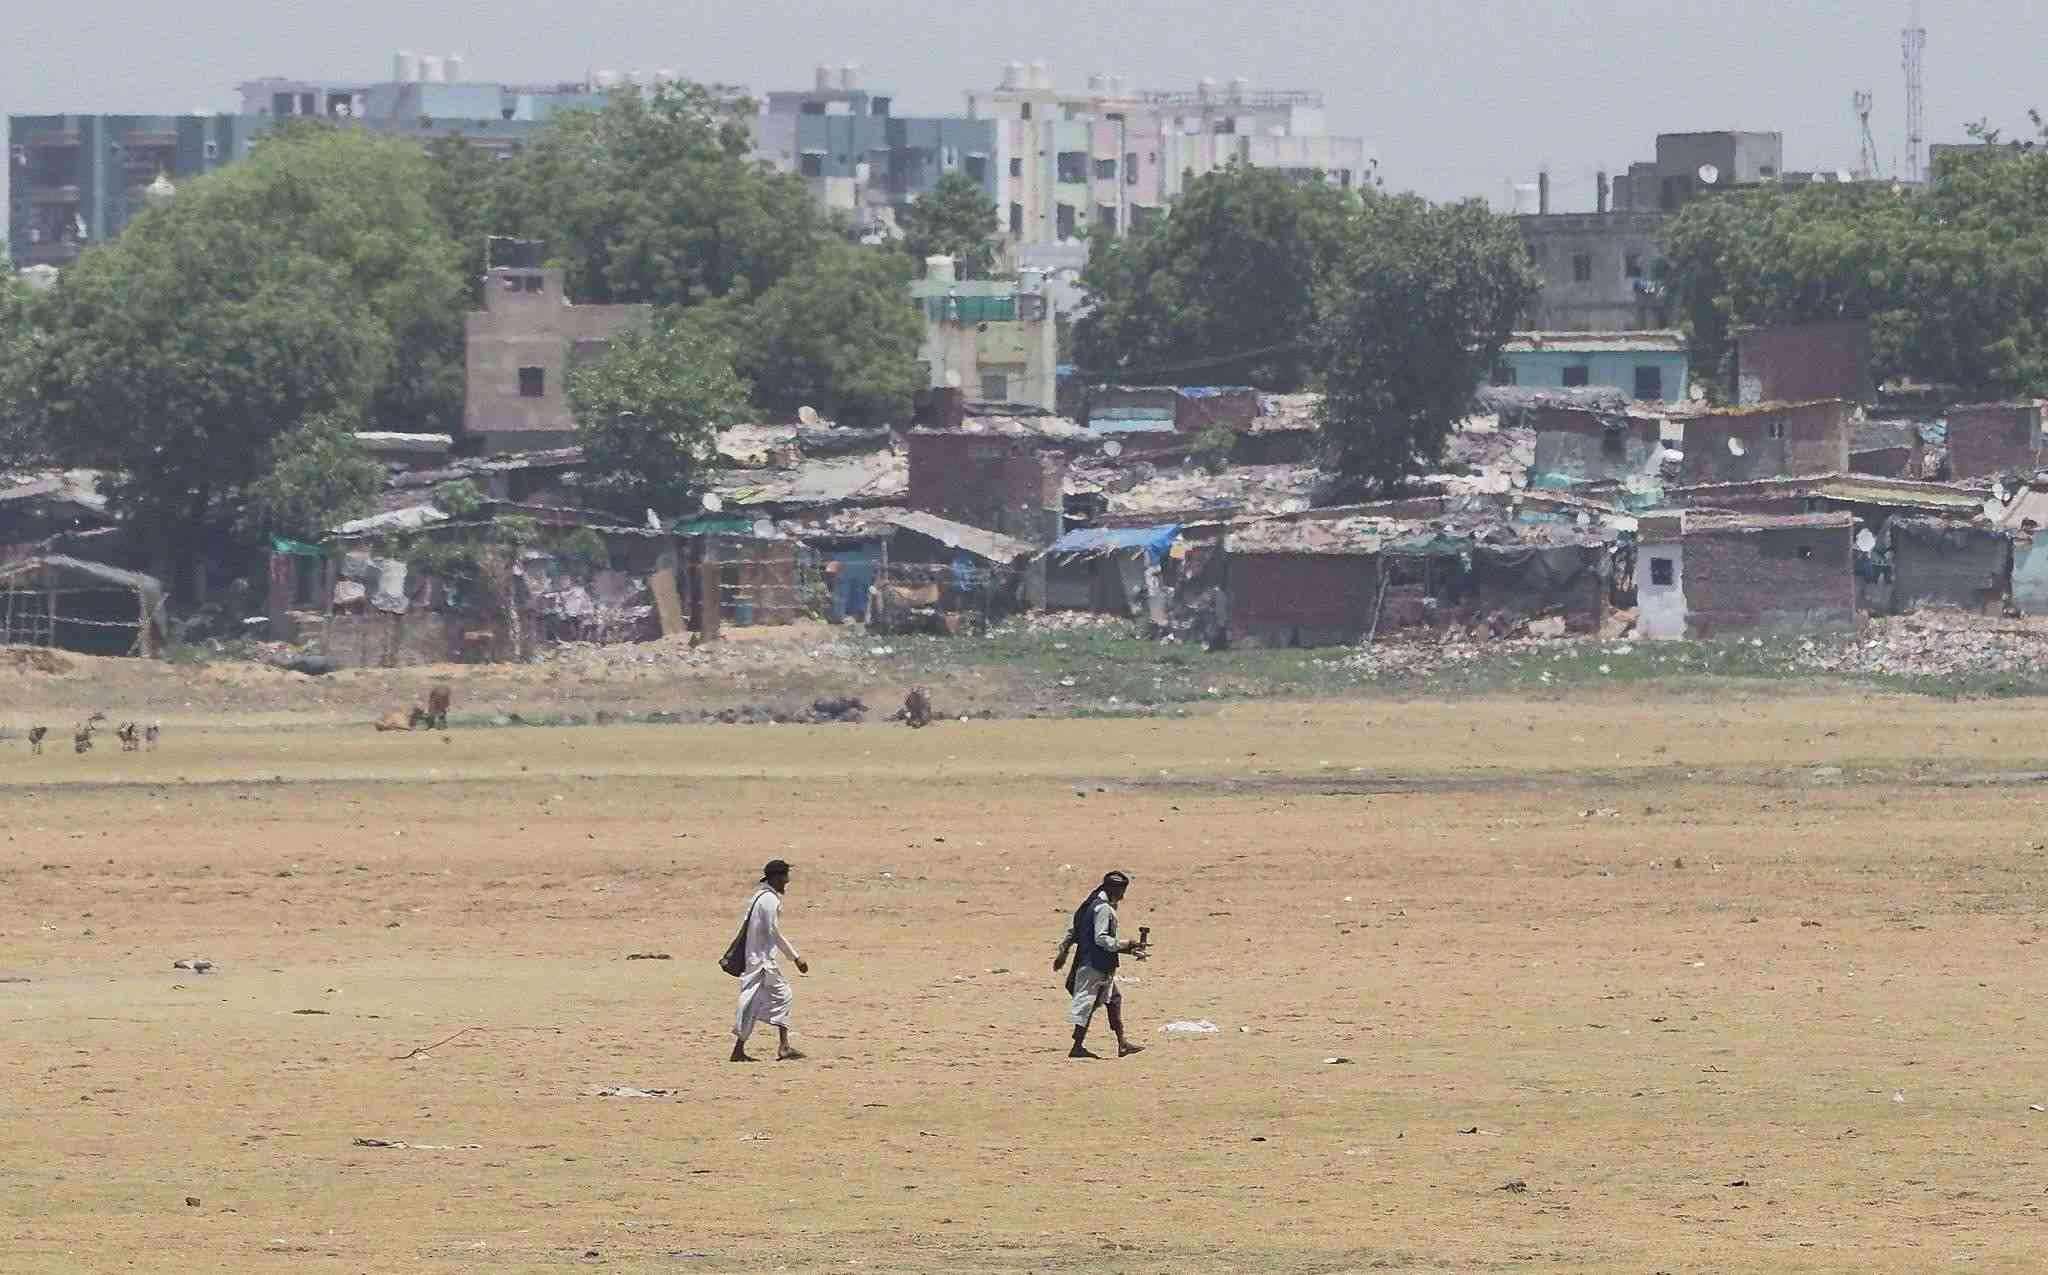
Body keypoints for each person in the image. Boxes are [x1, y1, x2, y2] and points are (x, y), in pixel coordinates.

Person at [1053, 870, 1147, 1059]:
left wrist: (1130, 950)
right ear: (1114, 890)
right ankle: (1079, 1046)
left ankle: (1120, 1043)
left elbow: (1076, 930)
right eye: (1121, 891)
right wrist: (1127, 944)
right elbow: (1102, 939)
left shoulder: (1092, 904)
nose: (1123, 895)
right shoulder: (1103, 909)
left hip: (1095, 963)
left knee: (1112, 999)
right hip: (1094, 965)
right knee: (1089, 1004)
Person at [730, 859, 810, 1062]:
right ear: (775, 877)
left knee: (753, 1002)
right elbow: (773, 931)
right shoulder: (769, 900)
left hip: (755, 959)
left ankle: (742, 1049)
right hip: (762, 961)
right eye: (784, 877)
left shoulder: (760, 896)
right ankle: (783, 1047)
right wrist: (795, 958)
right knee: (782, 995)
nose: (787, 881)